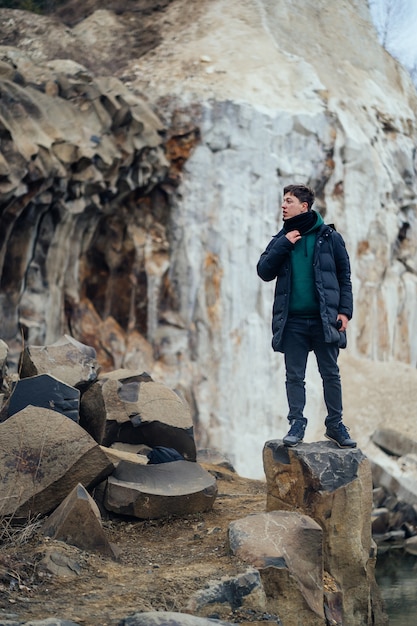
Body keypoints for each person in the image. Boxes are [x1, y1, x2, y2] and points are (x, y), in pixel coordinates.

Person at [256, 183, 356, 448]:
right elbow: (264, 271)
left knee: (331, 374)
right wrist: (283, 245)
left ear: (304, 206)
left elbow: (344, 276)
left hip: (325, 320)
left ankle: (335, 425)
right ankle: (296, 424)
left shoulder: (329, 237)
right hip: (294, 322)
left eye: (288, 201)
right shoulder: (282, 238)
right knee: (294, 376)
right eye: (283, 201)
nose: (283, 205)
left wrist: (345, 312)